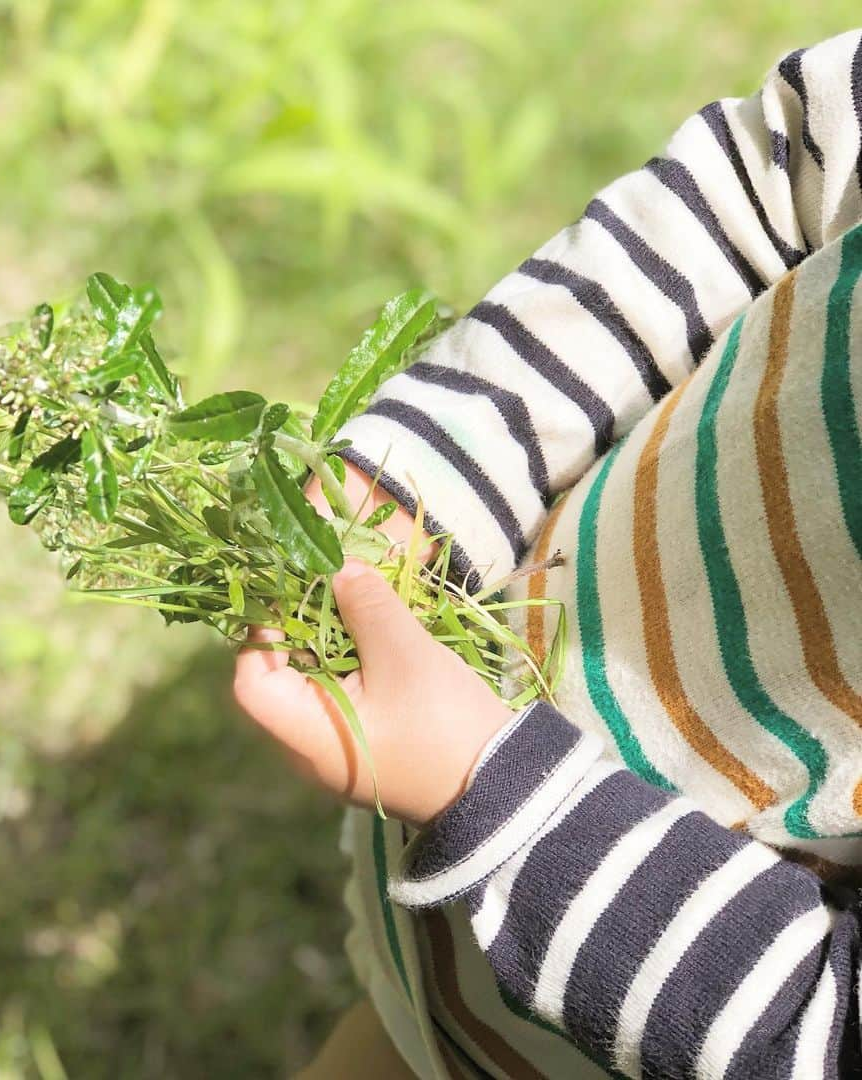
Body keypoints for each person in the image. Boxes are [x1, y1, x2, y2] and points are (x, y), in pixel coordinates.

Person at [235, 27, 862, 1079]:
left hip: (627, 1016)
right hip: (462, 876)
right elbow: (770, 176)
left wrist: (495, 794)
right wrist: (435, 475)